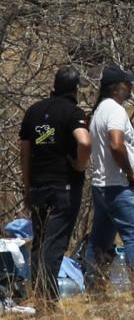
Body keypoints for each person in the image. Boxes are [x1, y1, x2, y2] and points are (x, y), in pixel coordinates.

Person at [19, 67, 91, 303]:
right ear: (75, 89)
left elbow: (24, 152)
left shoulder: (33, 111)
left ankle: (38, 295)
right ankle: (48, 300)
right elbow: (84, 142)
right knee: (55, 244)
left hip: (38, 186)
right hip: (64, 187)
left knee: (39, 242)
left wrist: (27, 187)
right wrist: (79, 165)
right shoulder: (73, 112)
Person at [84, 64, 134, 289]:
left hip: (100, 185)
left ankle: (92, 287)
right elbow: (116, 145)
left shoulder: (99, 110)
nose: (130, 87)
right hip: (116, 186)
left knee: (99, 239)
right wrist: (131, 172)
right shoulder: (115, 110)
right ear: (116, 88)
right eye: (127, 84)